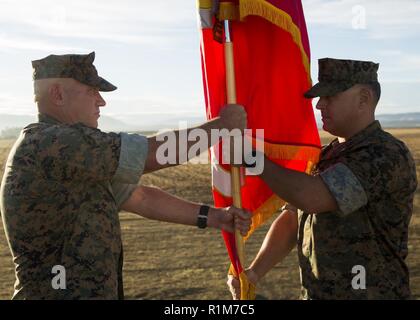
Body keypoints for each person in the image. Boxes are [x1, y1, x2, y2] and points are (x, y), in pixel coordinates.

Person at [0, 51, 252, 300]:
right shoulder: (50, 143)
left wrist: (215, 217)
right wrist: (220, 128)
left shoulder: (73, 155)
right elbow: (149, 154)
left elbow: (141, 198)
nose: (101, 101)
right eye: (91, 91)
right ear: (57, 94)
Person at [227, 58, 418, 300]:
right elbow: (293, 218)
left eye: (330, 97)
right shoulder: (328, 154)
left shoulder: (385, 153)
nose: (319, 106)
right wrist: (254, 273)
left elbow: (313, 197)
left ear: (364, 98)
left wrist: (251, 157)